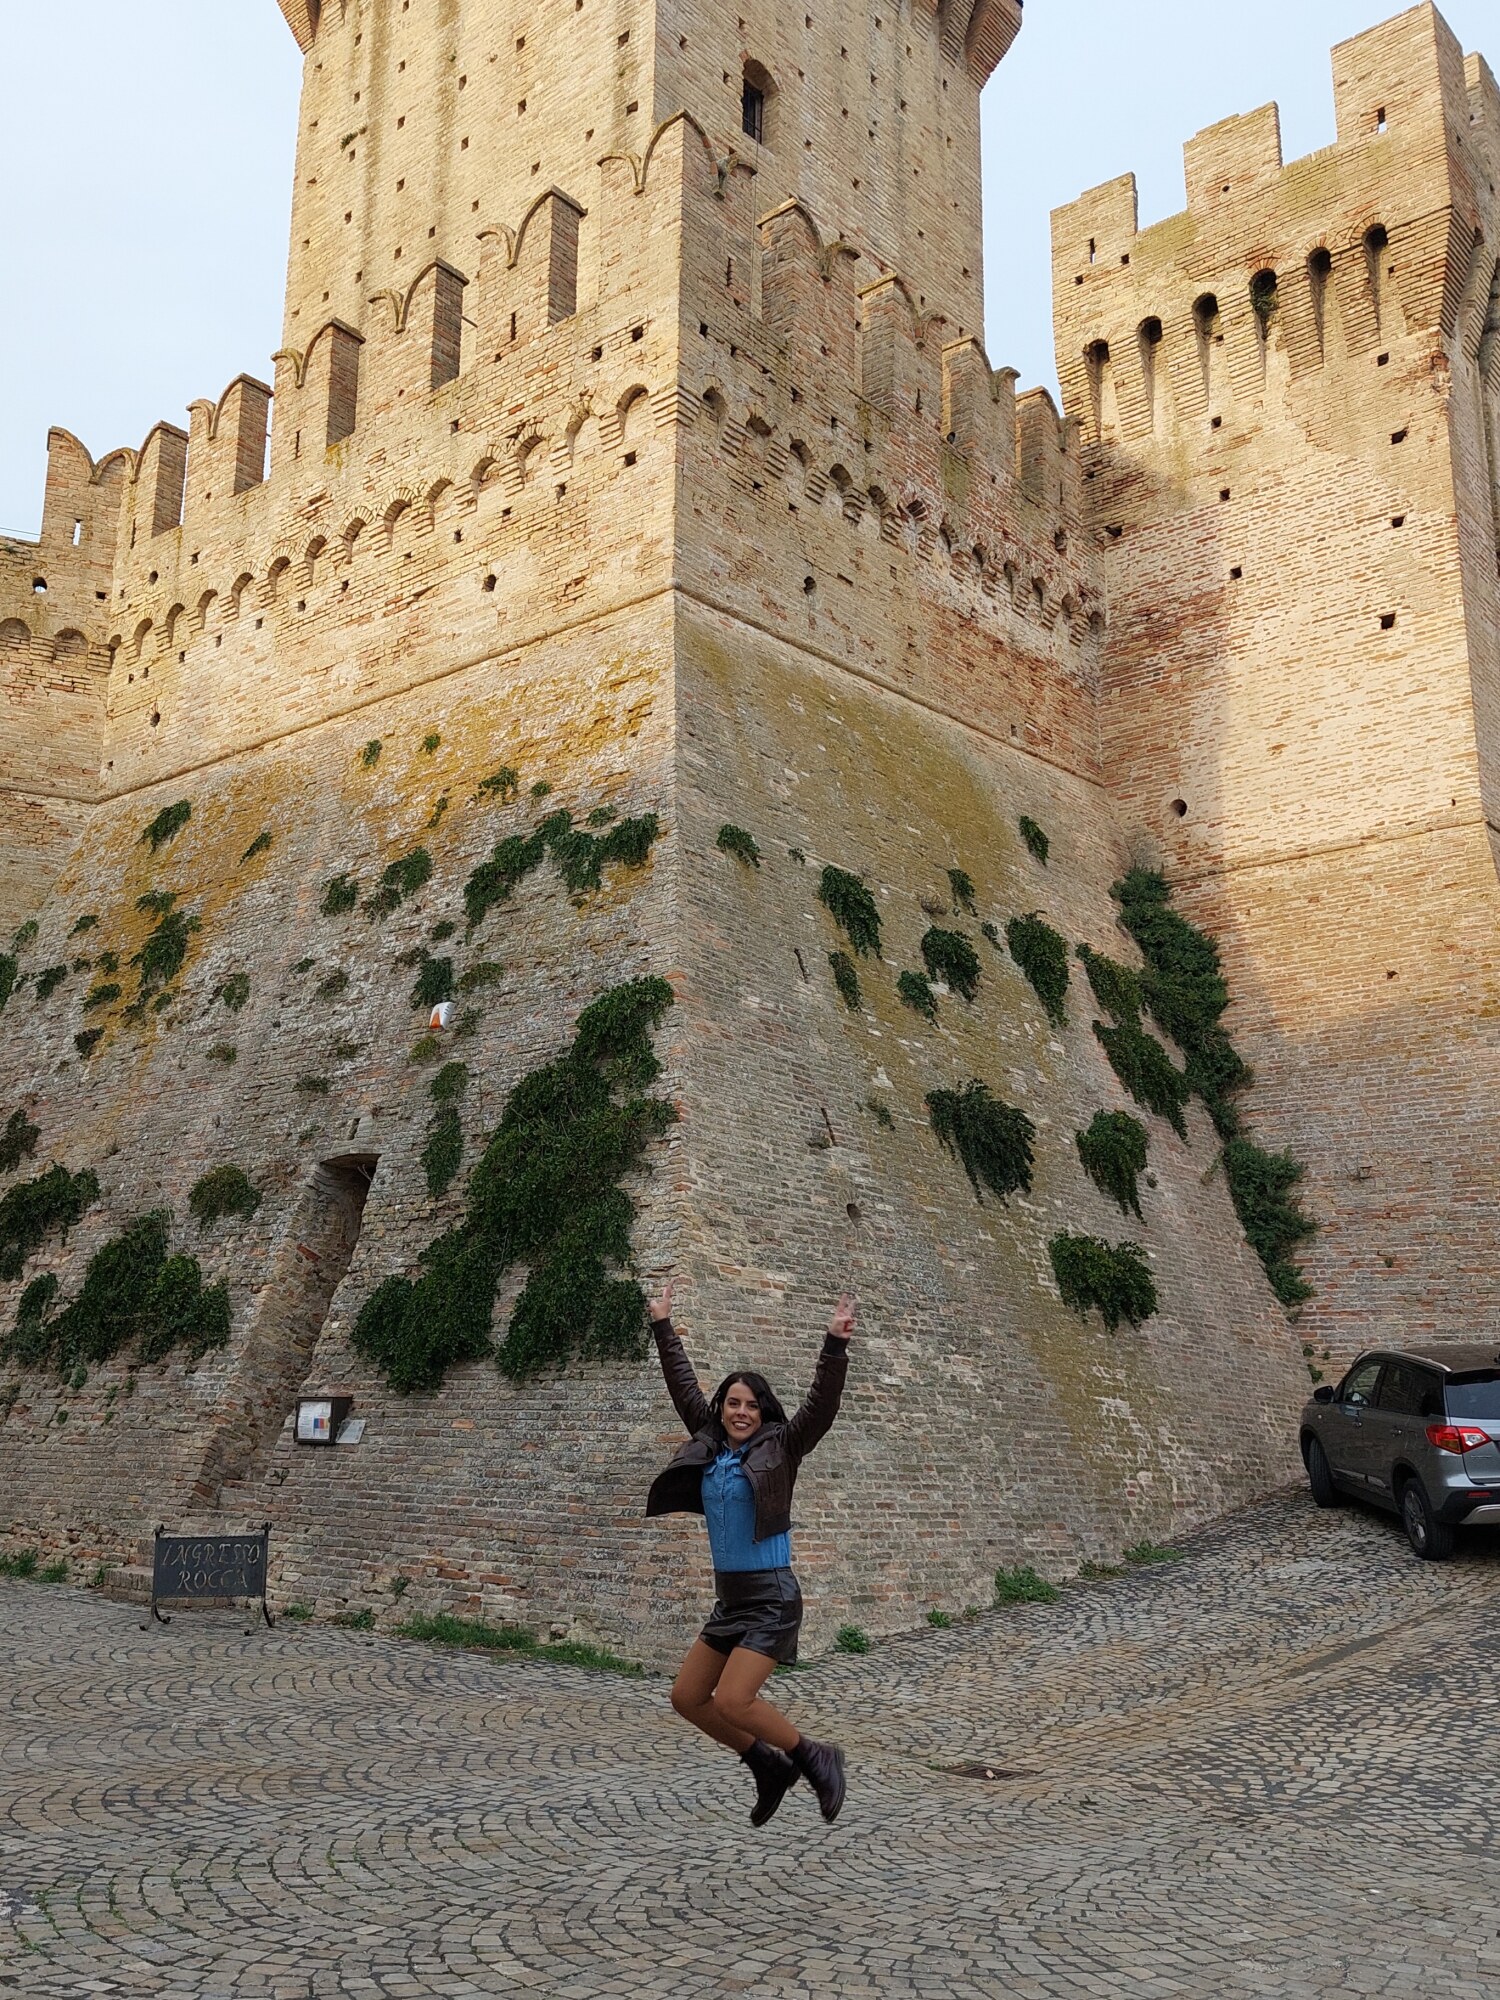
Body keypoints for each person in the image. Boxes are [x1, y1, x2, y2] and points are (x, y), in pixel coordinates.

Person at [644, 1276, 855, 1827]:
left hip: (771, 1598)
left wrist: (835, 1344)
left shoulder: (782, 1448)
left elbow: (821, 1405)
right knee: (688, 1698)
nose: (741, 1412)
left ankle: (814, 1757)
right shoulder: (709, 1444)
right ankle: (766, 1763)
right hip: (729, 1602)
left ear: (764, 1412)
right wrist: (663, 1323)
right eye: (732, 1403)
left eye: (751, 1406)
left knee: (735, 1700)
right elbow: (684, 1386)